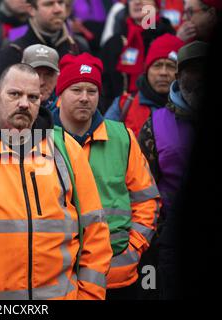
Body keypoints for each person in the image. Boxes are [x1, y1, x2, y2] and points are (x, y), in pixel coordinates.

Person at [0, 63, 113, 300]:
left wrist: (89, 296)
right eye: (15, 94)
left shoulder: (66, 149)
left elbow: (95, 231)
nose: (24, 103)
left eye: (33, 97)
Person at [53, 53, 160, 299]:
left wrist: (133, 249)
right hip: (58, 278)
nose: (84, 98)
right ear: (60, 94)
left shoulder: (122, 137)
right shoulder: (41, 139)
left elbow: (147, 200)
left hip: (116, 277)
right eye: (76, 89)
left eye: (91, 91)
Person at [138, 40, 207, 225]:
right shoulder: (154, 125)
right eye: (193, 71)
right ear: (178, 76)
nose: (200, 78)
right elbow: (142, 189)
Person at [0, 0, 88, 93]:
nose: (58, 9)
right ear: (31, 9)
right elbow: (2, 101)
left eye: (61, 2)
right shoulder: (14, 50)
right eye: (49, 4)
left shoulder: (78, 47)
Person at [99, 0, 175, 111]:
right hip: (121, 115)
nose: (137, 2)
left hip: (163, 111)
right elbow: (104, 87)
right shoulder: (115, 42)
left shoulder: (169, 40)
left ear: (156, 6)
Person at [104, 33, 184, 137]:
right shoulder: (124, 105)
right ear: (146, 70)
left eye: (171, 66)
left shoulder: (190, 109)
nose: (163, 72)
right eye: (157, 65)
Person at [21, 43, 60, 113]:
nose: (41, 82)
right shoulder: (6, 106)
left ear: (57, 78)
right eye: (34, 74)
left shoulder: (66, 110)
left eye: (48, 75)